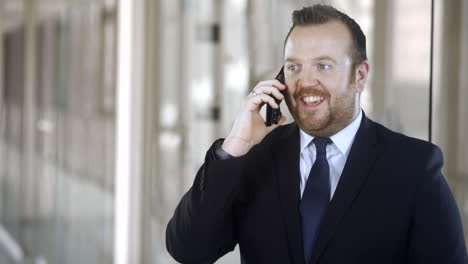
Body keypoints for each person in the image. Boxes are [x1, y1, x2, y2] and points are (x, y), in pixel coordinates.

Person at [166, 4, 467, 264]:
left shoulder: (413, 167)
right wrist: (234, 146)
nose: (306, 82)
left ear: (359, 76)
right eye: (294, 67)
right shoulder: (254, 157)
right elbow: (188, 250)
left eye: (323, 66)